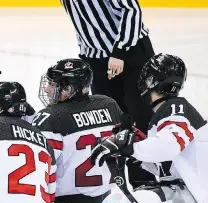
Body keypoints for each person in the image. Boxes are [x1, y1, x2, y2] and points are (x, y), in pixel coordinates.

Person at [50, 53, 208, 203]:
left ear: (151, 81)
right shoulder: (169, 111)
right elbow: (166, 162)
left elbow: (167, 147)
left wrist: (130, 147)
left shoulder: (176, 109)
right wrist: (133, 145)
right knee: (117, 199)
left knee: (144, 201)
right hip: (187, 194)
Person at [60, 0, 156, 186]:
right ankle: (118, 184)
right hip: (96, 58)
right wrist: (86, 54)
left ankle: (147, 183)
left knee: (141, 119)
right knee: (111, 122)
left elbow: (131, 9)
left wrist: (119, 52)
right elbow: (82, 19)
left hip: (130, 53)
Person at [32, 58, 122, 203]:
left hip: (64, 201)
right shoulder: (108, 104)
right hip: (106, 196)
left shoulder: (50, 117)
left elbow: (39, 166)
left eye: (53, 85)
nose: (47, 90)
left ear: (68, 90)